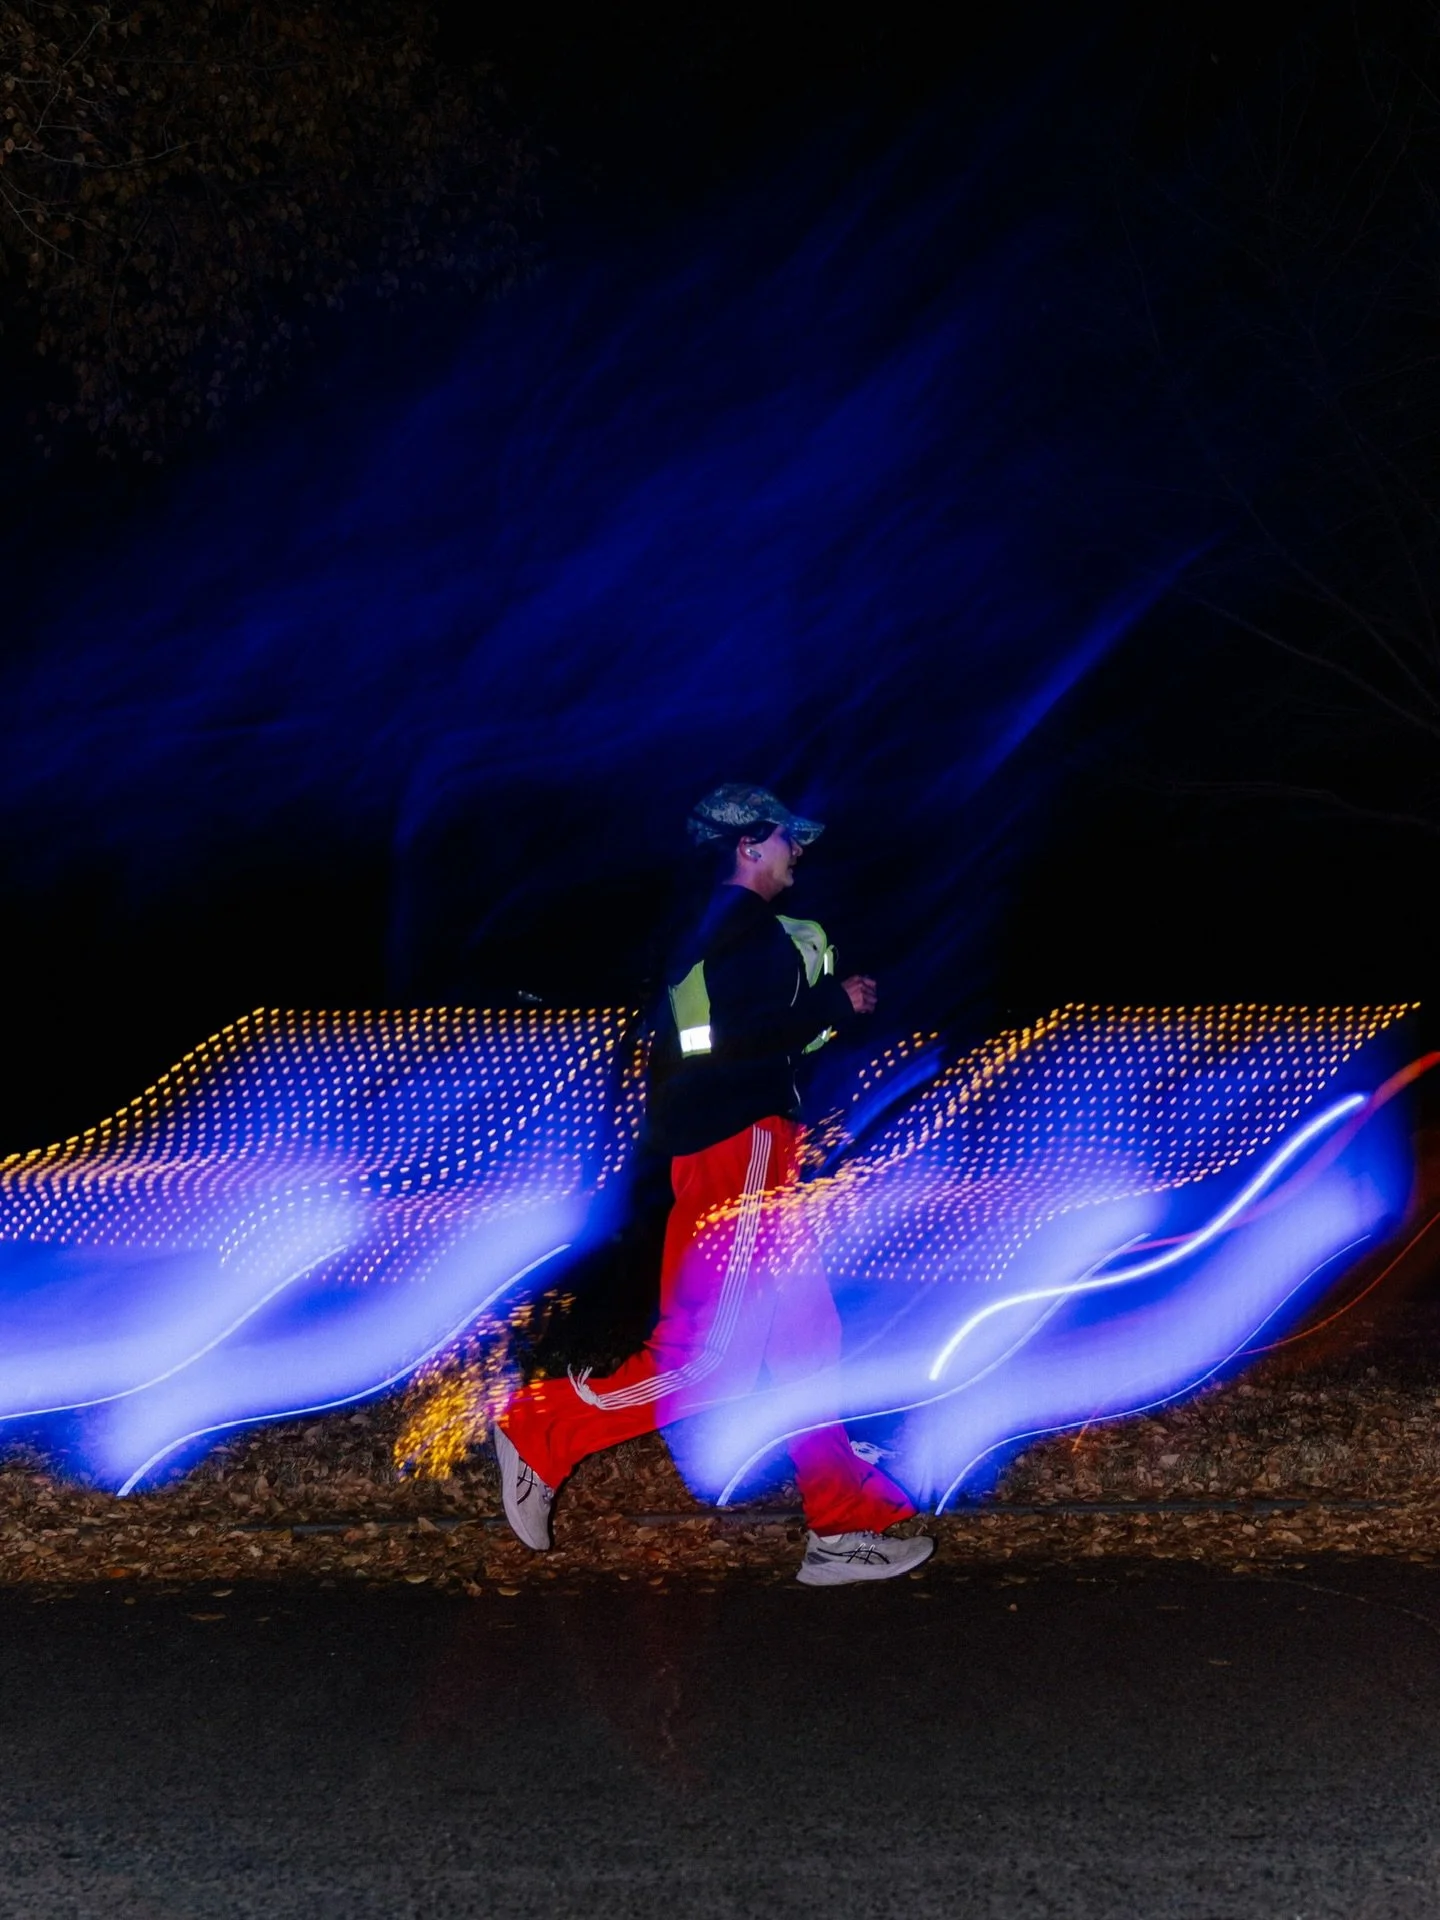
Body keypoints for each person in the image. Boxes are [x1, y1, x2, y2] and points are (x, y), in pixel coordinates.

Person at [494, 783, 933, 1586]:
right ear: (749, 846)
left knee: (810, 1345)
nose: (798, 851)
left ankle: (844, 1526)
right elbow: (726, 1043)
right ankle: (539, 1428)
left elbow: (724, 1036)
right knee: (710, 1362)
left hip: (745, 1144)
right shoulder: (737, 927)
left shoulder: (717, 928)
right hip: (740, 1146)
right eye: (786, 839)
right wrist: (831, 1002)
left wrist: (831, 1013)